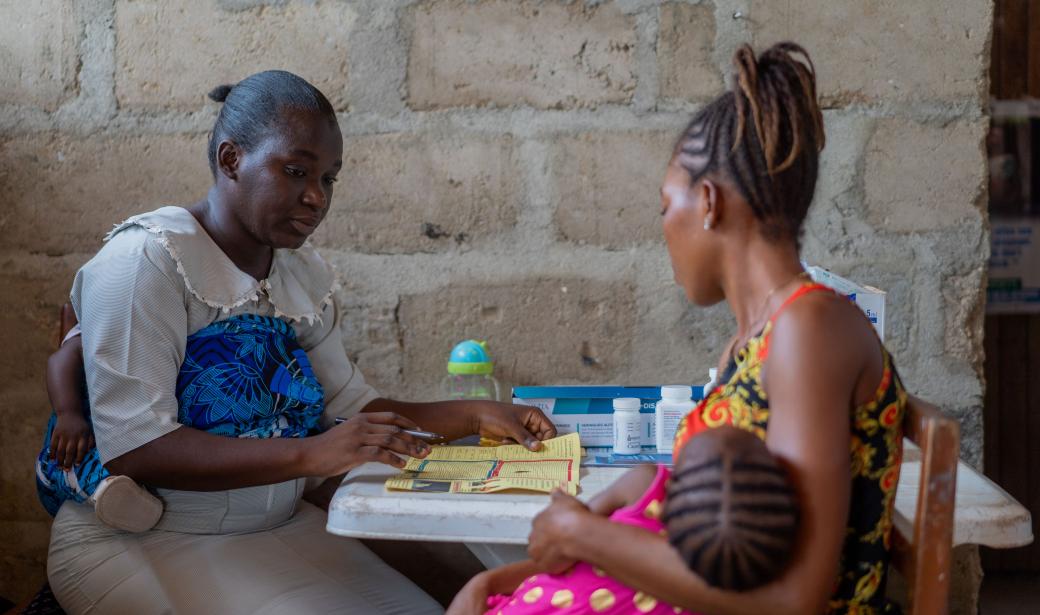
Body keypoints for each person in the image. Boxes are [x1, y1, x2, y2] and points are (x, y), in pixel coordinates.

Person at [45, 69, 556, 615]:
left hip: (278, 527)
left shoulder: (297, 275)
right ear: (231, 159)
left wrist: (474, 414)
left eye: (329, 178)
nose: (315, 197)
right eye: (295, 171)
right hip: (144, 542)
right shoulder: (147, 263)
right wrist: (312, 452)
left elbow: (354, 411)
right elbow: (138, 447)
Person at [451, 41, 906, 615]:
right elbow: (701, 538)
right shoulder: (754, 341)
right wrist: (506, 578)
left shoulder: (808, 328)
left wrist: (583, 536)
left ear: (709, 203)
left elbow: (795, 599)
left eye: (666, 206)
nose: (665, 229)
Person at [449, 427, 799, 615]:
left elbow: (556, 543)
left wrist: (566, 517)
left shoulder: (720, 572)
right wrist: (485, 582)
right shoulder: (644, 489)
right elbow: (552, 553)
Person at [35, 324, 165, 532]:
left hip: (124, 427)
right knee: (76, 458)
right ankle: (103, 491)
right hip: (77, 430)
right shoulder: (105, 315)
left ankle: (120, 495)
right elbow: (61, 358)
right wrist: (69, 413)